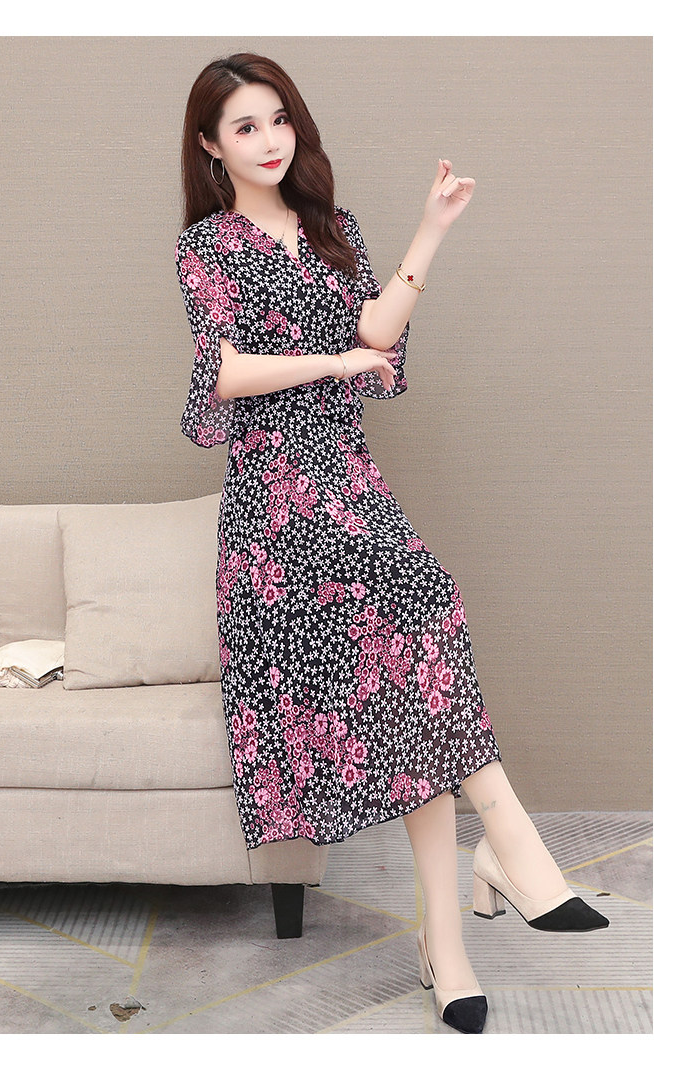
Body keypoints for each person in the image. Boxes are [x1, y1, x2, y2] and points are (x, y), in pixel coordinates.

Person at [174, 52, 609, 1035]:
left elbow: (377, 325)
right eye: (244, 126)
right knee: (418, 615)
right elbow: (225, 371)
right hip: (276, 506)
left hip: (349, 479)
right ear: (210, 146)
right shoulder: (206, 245)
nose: (269, 139)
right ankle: (505, 850)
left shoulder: (334, 227)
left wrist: (431, 230)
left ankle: (448, 938)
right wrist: (333, 361)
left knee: (417, 658)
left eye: (279, 118)